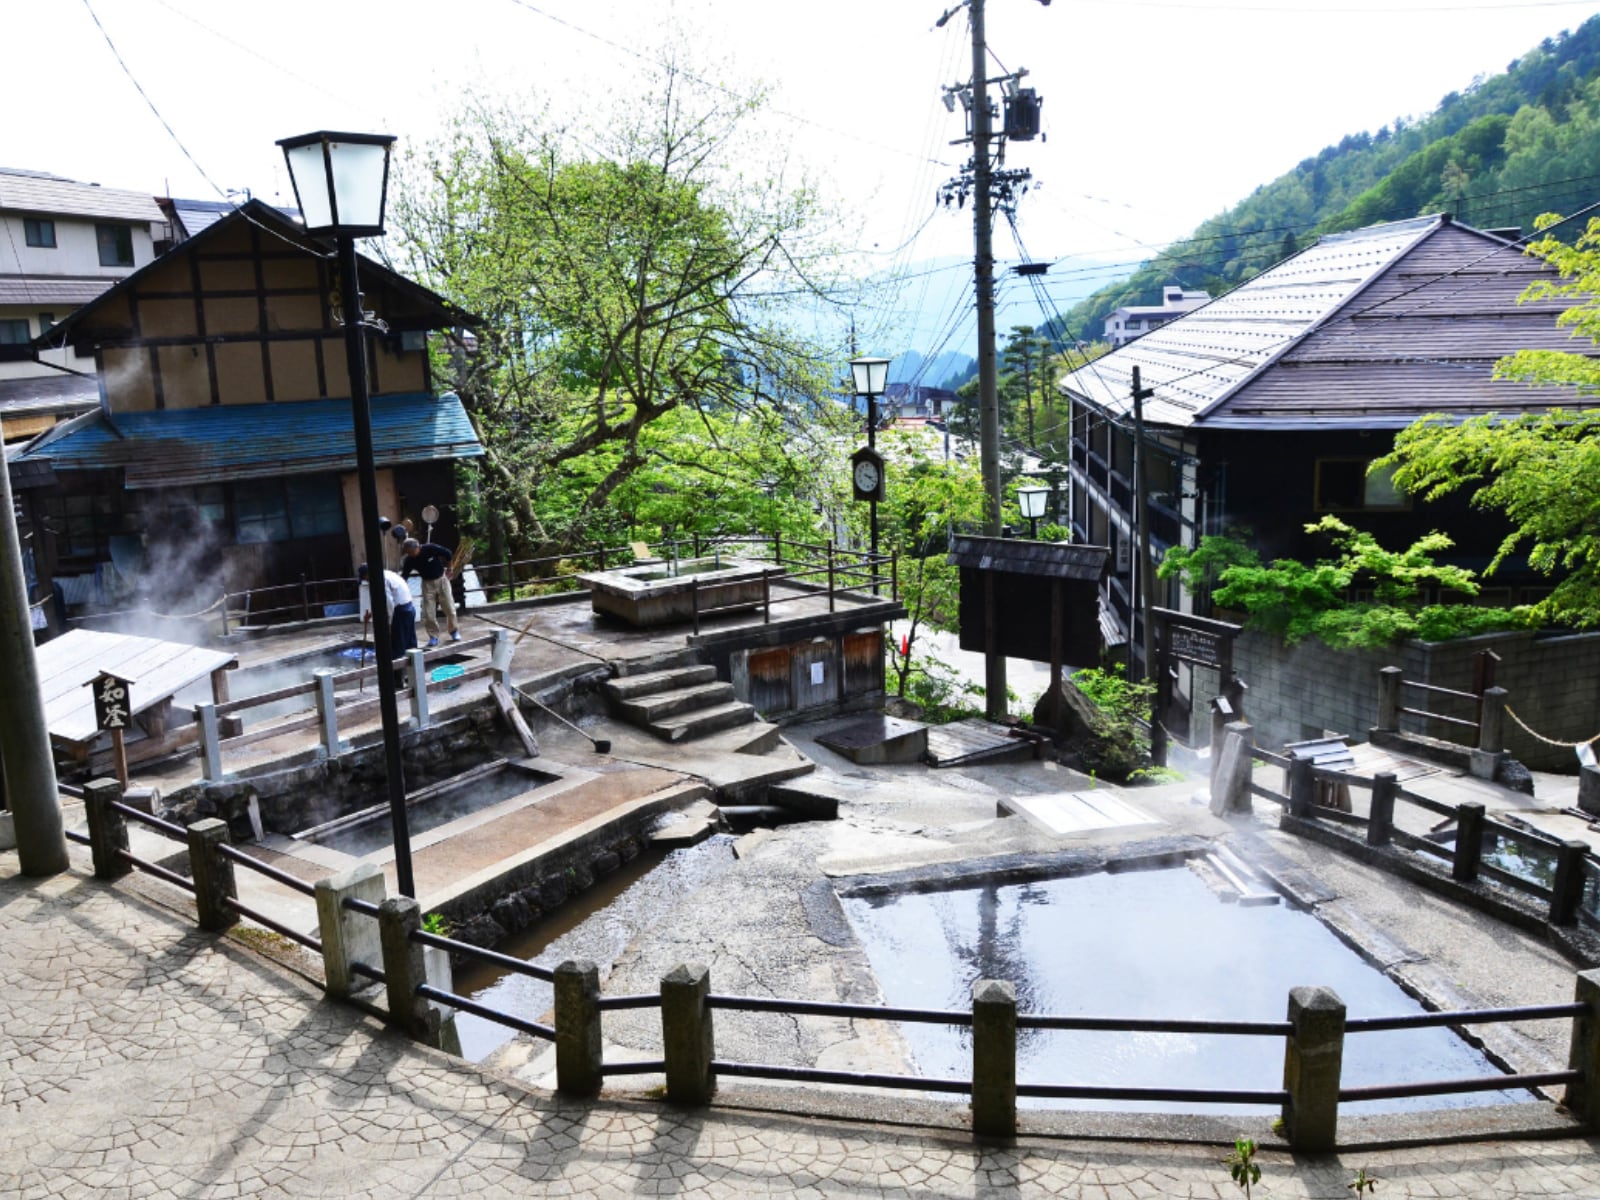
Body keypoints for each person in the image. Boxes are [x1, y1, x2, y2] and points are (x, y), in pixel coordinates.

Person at [399, 537, 459, 647]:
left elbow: (448, 553)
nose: (411, 554)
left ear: (417, 547)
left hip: (441, 579)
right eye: (408, 553)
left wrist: (450, 568)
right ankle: (433, 636)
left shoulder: (430, 548)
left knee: (449, 608)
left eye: (412, 552)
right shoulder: (409, 560)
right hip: (427, 584)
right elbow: (405, 576)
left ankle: (454, 631)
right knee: (428, 613)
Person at [357, 563, 418, 655]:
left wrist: (389, 624)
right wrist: (371, 613)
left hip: (400, 611)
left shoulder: (381, 580)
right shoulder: (386, 573)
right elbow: (382, 601)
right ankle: (414, 665)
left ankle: (398, 667)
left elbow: (389, 604)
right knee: (409, 641)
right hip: (408, 608)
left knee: (398, 644)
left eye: (366, 578)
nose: (367, 581)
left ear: (369, 574)